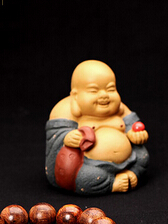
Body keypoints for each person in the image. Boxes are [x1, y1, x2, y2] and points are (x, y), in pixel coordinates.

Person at [45, 60, 149, 194]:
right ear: (75, 95)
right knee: (86, 177)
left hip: (129, 160)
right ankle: (112, 183)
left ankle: (132, 173)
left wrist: (137, 135)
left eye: (110, 89)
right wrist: (67, 137)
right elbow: (55, 137)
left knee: (142, 155)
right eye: (94, 91)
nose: (104, 95)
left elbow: (134, 125)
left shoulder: (120, 108)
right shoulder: (64, 110)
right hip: (91, 166)